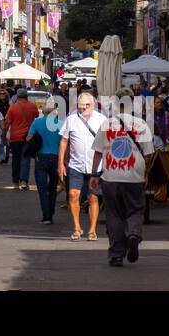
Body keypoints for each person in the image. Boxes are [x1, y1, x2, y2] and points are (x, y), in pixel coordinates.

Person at [90, 90, 155, 267]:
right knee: (135, 210)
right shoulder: (141, 124)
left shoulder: (107, 124)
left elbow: (97, 151)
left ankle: (117, 254)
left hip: (111, 175)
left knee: (113, 214)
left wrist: (94, 174)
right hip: (134, 175)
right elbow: (149, 155)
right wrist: (146, 173)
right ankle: (133, 233)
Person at [58, 91, 107, 241]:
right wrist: (60, 163)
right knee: (73, 195)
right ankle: (77, 228)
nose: (83, 108)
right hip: (75, 165)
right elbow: (64, 142)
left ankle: (92, 230)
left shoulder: (102, 119)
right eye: (81, 106)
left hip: (95, 167)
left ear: (93, 105)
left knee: (92, 197)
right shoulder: (71, 120)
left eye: (86, 105)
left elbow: (108, 142)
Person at [26, 99, 63, 223]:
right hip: (56, 158)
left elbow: (29, 138)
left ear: (44, 111)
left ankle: (46, 215)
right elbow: (65, 141)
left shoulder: (37, 122)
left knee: (42, 188)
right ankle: (50, 212)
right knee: (52, 187)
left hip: (41, 157)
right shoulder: (60, 123)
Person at [5, 90, 40, 190]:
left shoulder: (13, 107)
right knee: (26, 159)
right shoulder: (32, 106)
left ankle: (15, 181)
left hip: (15, 137)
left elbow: (7, 121)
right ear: (26, 96)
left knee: (16, 159)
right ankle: (24, 181)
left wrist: (4, 135)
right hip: (28, 136)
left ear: (17, 96)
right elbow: (36, 115)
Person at [0, 89, 12, 163]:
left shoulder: (9, 103)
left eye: (3, 94)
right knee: (1, 139)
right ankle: (2, 155)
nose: (2, 95)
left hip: (8, 122)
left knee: (7, 139)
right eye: (1, 94)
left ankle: (7, 155)